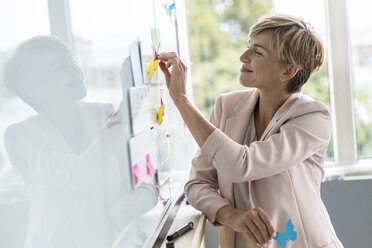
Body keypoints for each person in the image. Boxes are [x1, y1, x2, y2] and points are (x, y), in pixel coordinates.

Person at [158, 15, 344, 248]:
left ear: (288, 71)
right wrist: (230, 215)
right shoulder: (226, 107)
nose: (243, 57)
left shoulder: (313, 117)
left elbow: (240, 165)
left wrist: (182, 100)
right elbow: (197, 184)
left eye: (258, 52)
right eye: (249, 46)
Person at [2, 35, 158, 248]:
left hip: (118, 240)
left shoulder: (105, 114)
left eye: (71, 61)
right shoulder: (19, 136)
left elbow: (148, 184)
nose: (75, 70)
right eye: (59, 68)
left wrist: (110, 220)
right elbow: (79, 175)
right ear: (34, 88)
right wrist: (126, 109)